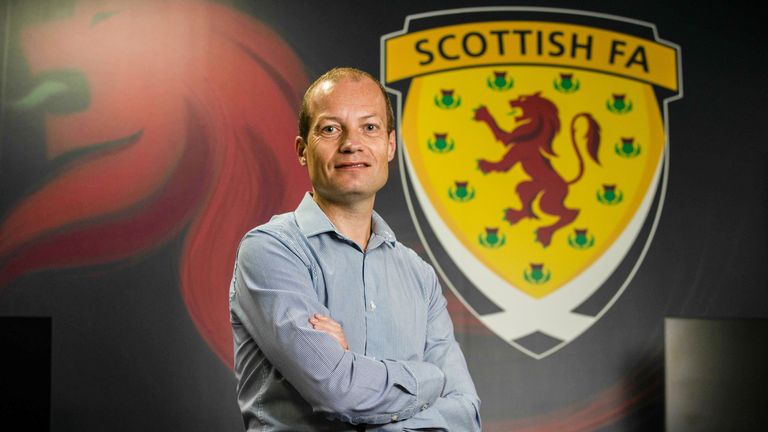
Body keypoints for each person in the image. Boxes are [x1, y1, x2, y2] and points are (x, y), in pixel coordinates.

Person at [229, 67, 481, 431]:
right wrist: (430, 379)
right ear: (302, 150)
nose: (352, 143)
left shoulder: (419, 275)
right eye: (331, 129)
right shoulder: (270, 251)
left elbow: (465, 413)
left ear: (390, 146)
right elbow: (337, 390)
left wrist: (355, 375)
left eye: (370, 127)